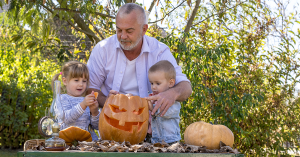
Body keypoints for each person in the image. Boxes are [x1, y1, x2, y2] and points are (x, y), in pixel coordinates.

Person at [86, 3, 192, 118]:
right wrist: (108, 101)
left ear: (144, 29)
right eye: (119, 30)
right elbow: (90, 88)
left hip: (153, 127)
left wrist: (172, 93)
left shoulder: (159, 51)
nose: (123, 36)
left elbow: (186, 87)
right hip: (113, 121)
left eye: (129, 31)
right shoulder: (103, 49)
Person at [52, 61, 100, 141]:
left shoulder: (86, 100)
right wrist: (83, 105)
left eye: (84, 81)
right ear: (65, 81)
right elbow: (66, 118)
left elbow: (97, 126)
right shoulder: (61, 99)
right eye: (76, 80)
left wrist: (94, 112)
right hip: (67, 143)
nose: (81, 84)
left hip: (88, 145)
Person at [147, 60, 181, 144]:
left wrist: (152, 109)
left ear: (171, 83)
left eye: (158, 83)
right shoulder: (152, 97)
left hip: (170, 140)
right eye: (151, 83)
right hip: (155, 140)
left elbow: (165, 113)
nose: (153, 87)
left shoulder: (172, 100)